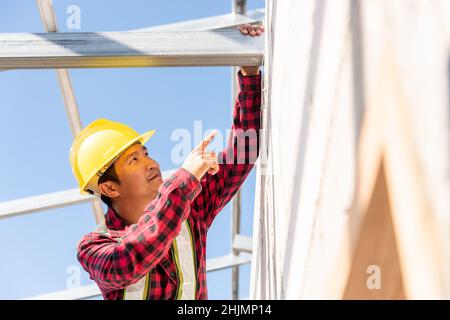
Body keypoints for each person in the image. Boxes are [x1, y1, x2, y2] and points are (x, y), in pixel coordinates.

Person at [71, 24, 264, 300]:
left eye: (146, 154)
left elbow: (243, 154)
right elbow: (130, 258)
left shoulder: (190, 208)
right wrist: (184, 179)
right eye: (134, 160)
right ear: (110, 188)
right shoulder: (94, 247)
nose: (152, 163)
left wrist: (249, 72)